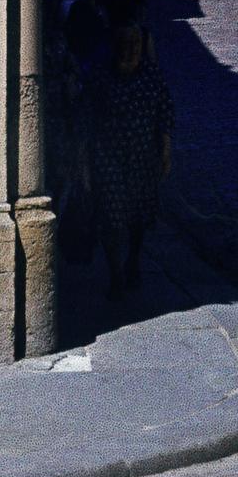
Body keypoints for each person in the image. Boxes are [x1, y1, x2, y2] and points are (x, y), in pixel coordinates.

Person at [86, 19, 174, 299]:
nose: (130, 51)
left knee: (138, 215)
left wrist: (165, 149)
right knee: (110, 218)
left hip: (141, 158)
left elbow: (165, 113)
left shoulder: (151, 76)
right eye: (124, 45)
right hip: (108, 158)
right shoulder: (101, 76)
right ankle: (116, 273)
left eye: (135, 45)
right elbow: (86, 117)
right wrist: (82, 163)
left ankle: (133, 260)